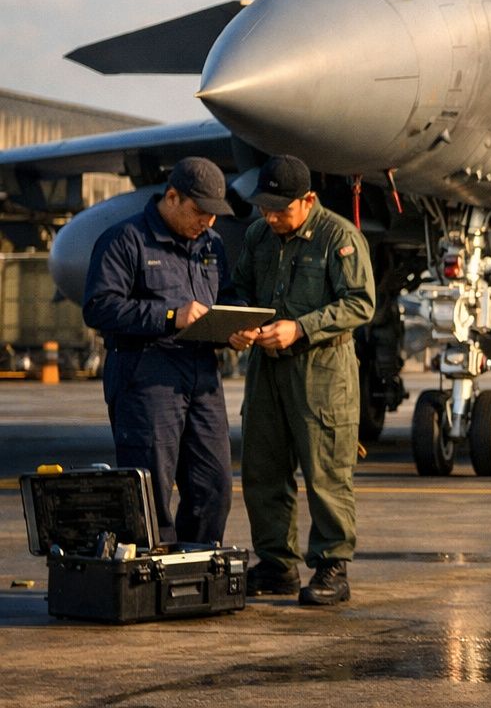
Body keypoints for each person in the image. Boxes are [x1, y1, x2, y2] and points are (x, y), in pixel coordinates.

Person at [229, 155, 375, 606]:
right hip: (267, 367)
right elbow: (240, 288)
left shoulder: (339, 238)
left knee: (326, 470)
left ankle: (333, 565)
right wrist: (239, 323)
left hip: (323, 370)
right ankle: (277, 564)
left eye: (281, 209)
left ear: (308, 200)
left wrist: (301, 328)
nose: (271, 216)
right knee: (263, 468)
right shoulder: (258, 236)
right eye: (264, 207)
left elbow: (360, 302)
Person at [82, 156, 237, 546]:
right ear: (172, 197)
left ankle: (197, 563)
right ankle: (152, 570)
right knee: (150, 492)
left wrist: (234, 327)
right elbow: (99, 307)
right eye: (200, 211)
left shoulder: (212, 245)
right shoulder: (125, 240)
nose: (208, 221)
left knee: (214, 486)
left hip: (201, 374)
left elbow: (227, 296)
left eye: (214, 215)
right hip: (146, 374)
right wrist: (170, 316)